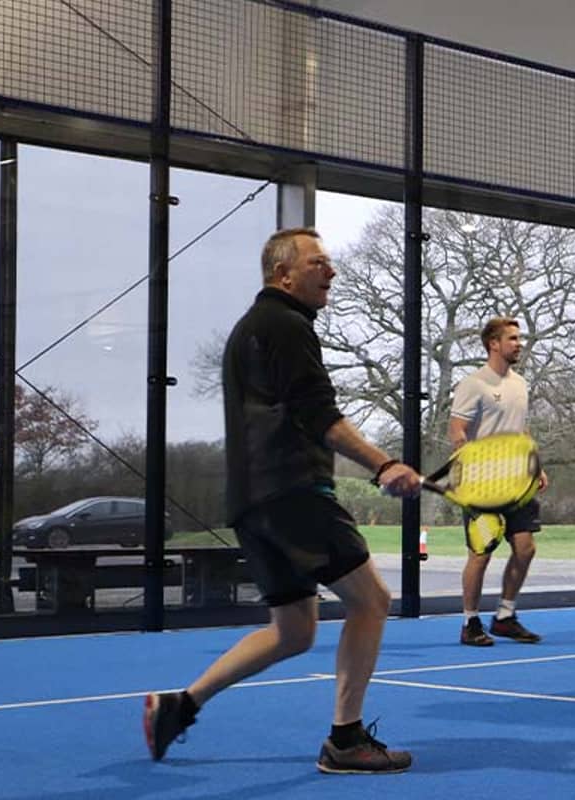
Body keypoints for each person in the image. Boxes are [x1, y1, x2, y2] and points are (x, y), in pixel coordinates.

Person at [143, 227, 423, 774]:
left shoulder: (252, 329)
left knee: (294, 631)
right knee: (372, 600)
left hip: (252, 503)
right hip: (292, 491)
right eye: (319, 262)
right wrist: (384, 464)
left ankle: (181, 705)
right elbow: (319, 415)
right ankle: (345, 741)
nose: (331, 271)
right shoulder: (286, 325)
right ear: (283, 274)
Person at [450, 317, 548, 646]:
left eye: (519, 338)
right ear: (493, 343)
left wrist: (536, 466)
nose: (519, 344)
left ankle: (505, 616)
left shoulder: (520, 384)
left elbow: (521, 428)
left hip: (517, 482)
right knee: (481, 554)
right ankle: (470, 622)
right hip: (482, 486)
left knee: (525, 549)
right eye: (512, 338)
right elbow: (457, 431)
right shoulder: (473, 384)